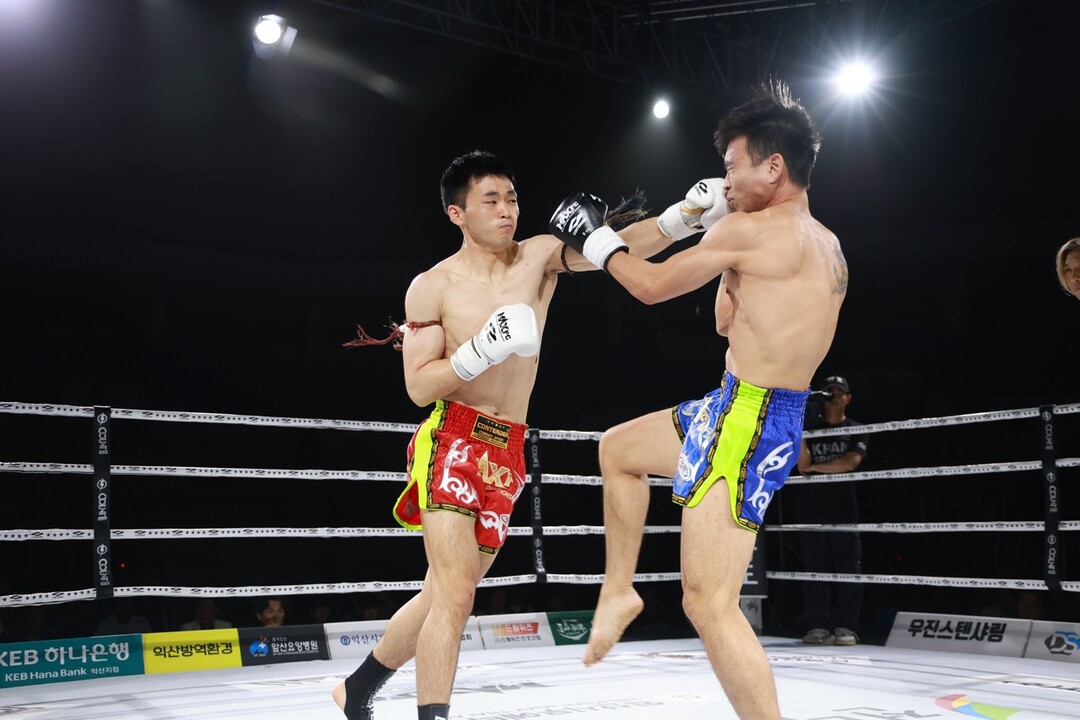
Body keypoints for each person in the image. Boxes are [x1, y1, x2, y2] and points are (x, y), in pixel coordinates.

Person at [333, 150, 667, 720]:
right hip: (452, 440)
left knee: (444, 592)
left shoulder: (538, 257)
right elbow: (418, 386)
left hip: (507, 448)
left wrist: (684, 218)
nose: (507, 210)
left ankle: (358, 687)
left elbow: (616, 248)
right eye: (490, 200)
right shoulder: (432, 286)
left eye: (511, 198)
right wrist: (480, 350)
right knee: (456, 593)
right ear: (457, 213)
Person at [547, 81, 845, 720]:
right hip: (747, 405)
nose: (726, 180)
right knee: (618, 450)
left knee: (708, 603)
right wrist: (719, 245)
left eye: (733, 166)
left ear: (774, 166)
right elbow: (726, 322)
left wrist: (597, 239)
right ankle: (619, 591)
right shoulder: (825, 243)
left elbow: (650, 287)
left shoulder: (753, 231)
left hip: (748, 419)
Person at [796, 375, 868, 646]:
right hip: (812, 506)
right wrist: (801, 428)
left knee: (848, 567)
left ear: (848, 398)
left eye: (839, 392)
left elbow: (849, 463)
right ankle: (818, 626)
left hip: (844, 507)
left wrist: (816, 467)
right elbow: (802, 464)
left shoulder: (856, 428)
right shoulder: (810, 429)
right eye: (829, 393)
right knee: (815, 569)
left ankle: (847, 627)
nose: (834, 397)